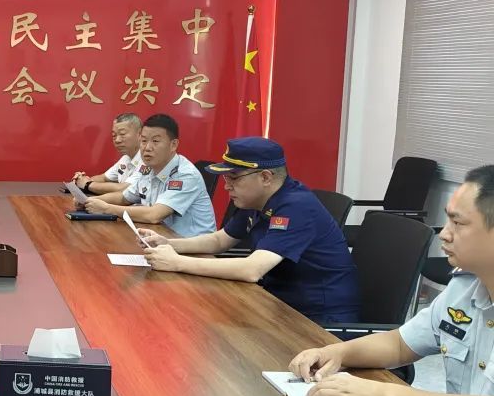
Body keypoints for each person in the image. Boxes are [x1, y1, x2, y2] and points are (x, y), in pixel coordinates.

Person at [288, 165, 494, 396]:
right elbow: (400, 344)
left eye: (458, 223)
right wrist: (337, 353)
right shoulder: (464, 287)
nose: (444, 233)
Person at [139, 137, 360, 325]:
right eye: (225, 178)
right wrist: (169, 243)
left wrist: (177, 263)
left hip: (318, 322)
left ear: (265, 177)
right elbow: (219, 241)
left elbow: (252, 269)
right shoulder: (256, 200)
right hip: (277, 305)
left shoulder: (296, 206)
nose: (226, 186)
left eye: (234, 178)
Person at [84, 113, 215, 237]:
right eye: (144, 141)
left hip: (191, 247)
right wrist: (89, 202)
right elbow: (124, 197)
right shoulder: (148, 169)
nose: (147, 147)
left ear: (173, 145)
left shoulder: (185, 174)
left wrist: (107, 208)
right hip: (161, 238)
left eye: (155, 141)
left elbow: (154, 215)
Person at [71, 113, 143, 196]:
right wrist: (83, 179)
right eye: (114, 135)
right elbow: (104, 178)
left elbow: (125, 189)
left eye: (122, 134)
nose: (117, 140)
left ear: (140, 134)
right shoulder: (126, 158)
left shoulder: (147, 159)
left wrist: (87, 184)